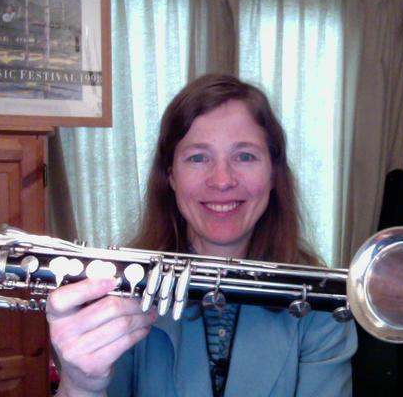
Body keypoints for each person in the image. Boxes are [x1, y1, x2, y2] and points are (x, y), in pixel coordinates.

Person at [47, 74, 357, 397]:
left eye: (245, 156)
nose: (222, 181)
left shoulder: (321, 307)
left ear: (273, 174)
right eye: (198, 157)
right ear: (170, 175)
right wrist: (80, 387)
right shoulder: (122, 292)